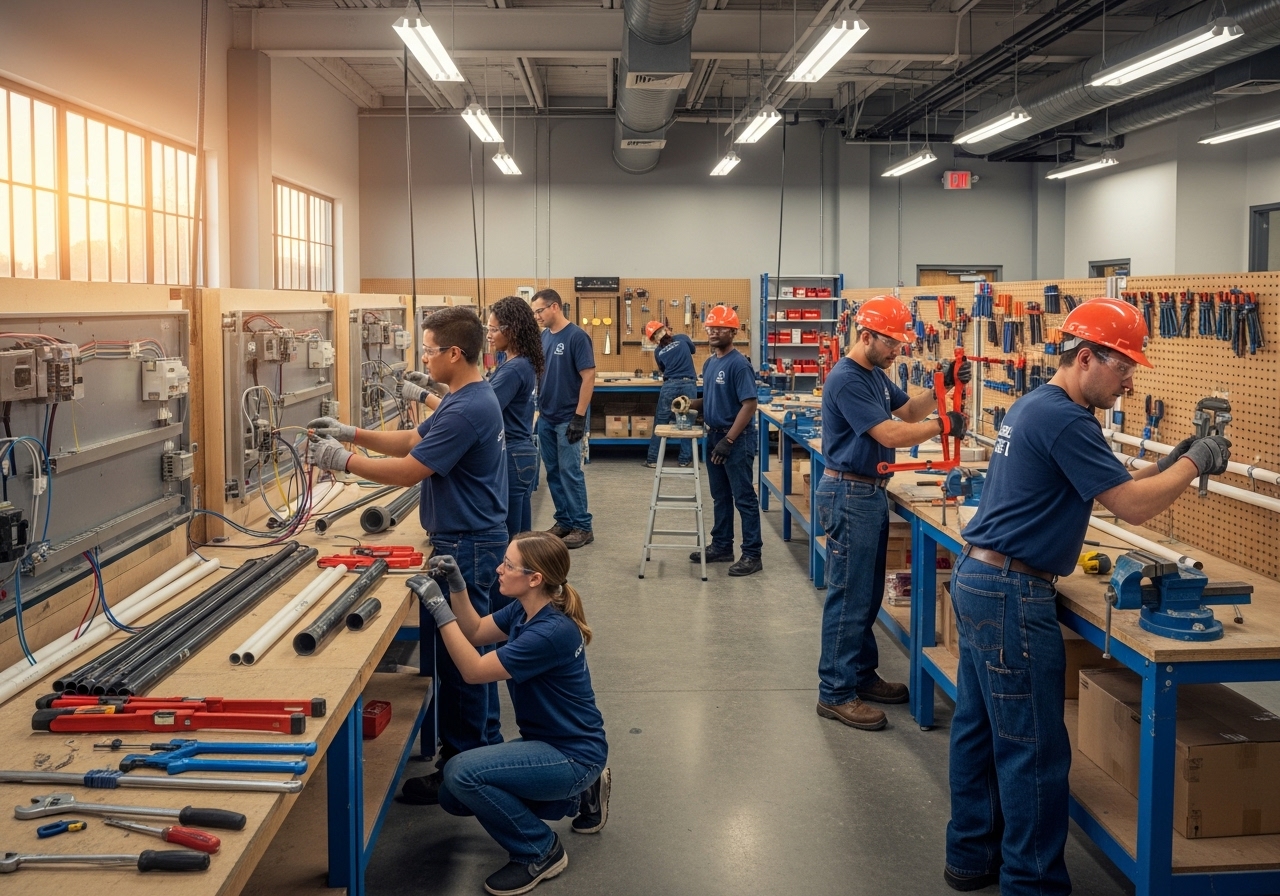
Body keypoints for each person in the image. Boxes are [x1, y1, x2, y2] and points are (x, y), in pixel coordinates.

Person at [944, 298, 1231, 895]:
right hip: (1009, 592)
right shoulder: (1067, 419)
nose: (1130, 380)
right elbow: (1130, 507)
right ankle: (1034, 885)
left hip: (980, 577)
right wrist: (1200, 460)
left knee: (979, 728)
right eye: (1123, 366)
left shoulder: (1039, 407)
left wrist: (1172, 462)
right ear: (1084, 357)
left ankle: (971, 857)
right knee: (1034, 750)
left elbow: (1116, 486)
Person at [308, 306, 510, 805]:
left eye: (428, 349)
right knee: (469, 652)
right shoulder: (464, 397)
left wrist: (343, 462)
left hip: (467, 544)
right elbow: (412, 440)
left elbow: (408, 471)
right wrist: (350, 434)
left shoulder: (465, 408)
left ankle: (463, 772)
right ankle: (480, 749)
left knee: (461, 659)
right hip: (470, 538)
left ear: (454, 353)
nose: (422, 357)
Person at [409, 531, 610, 896]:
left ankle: (540, 850)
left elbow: (472, 670)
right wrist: (456, 587)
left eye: (508, 565)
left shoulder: (549, 632)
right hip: (551, 742)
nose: (499, 569)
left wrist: (439, 610)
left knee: (460, 774)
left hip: (570, 754)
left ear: (535, 579)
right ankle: (576, 795)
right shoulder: (525, 607)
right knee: (452, 798)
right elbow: (475, 632)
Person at [815, 295, 972, 733]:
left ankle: (860, 676)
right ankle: (834, 692)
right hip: (849, 493)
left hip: (867, 493)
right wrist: (942, 426)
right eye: (891, 344)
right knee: (848, 596)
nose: (896, 352)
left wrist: (940, 383)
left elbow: (908, 411)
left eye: (900, 345)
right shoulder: (847, 378)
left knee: (864, 595)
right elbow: (890, 432)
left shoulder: (876, 376)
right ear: (865, 336)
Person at [686, 305, 762, 577]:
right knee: (720, 496)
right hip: (714, 436)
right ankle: (722, 545)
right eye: (710, 327)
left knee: (743, 498)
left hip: (735, 440)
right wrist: (689, 405)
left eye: (720, 328)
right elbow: (712, 400)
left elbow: (749, 404)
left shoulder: (739, 364)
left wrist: (729, 440)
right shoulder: (709, 363)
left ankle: (752, 554)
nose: (713, 332)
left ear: (733, 331)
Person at [531, 289, 596, 549]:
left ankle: (583, 526)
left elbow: (588, 377)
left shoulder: (577, 337)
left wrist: (579, 417)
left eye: (540, 311)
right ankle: (565, 520)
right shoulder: (544, 337)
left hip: (568, 417)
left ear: (554, 307)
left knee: (570, 472)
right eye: (534, 312)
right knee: (554, 473)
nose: (537, 316)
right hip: (547, 416)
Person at [485, 296, 543, 538]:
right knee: (522, 538)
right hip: (522, 453)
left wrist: (427, 396)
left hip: (512, 455)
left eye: (493, 329)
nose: (489, 335)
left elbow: (483, 411)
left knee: (510, 539)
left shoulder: (513, 369)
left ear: (512, 330)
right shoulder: (522, 363)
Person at [643, 320, 697, 469]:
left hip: (670, 385)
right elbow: (693, 350)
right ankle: (684, 460)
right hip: (688, 383)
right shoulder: (683, 338)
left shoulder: (658, 351)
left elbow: (663, 369)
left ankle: (652, 459)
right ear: (666, 329)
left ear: (654, 340)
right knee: (686, 422)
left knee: (661, 422)